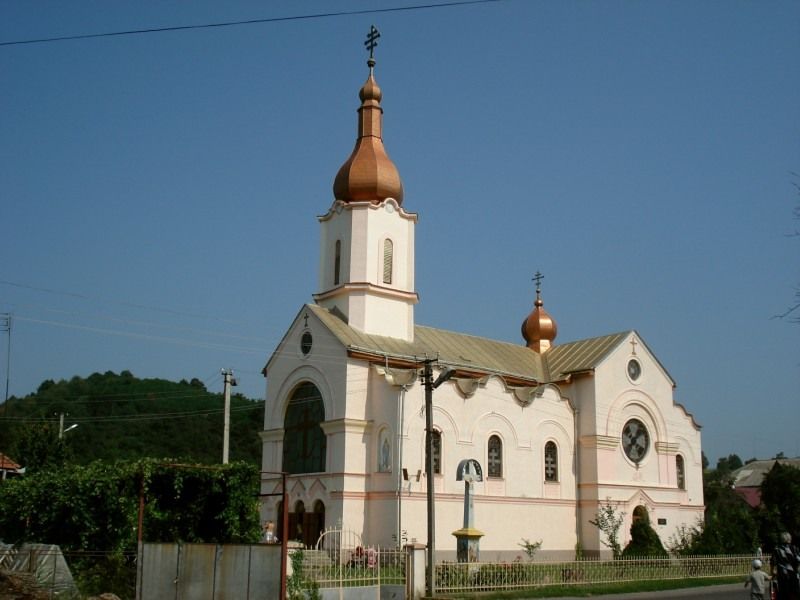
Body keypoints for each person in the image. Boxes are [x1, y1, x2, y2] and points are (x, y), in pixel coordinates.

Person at [772, 532, 800, 600]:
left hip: (782, 576)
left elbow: (773, 563)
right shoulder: (794, 548)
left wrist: (773, 574)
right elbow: (798, 560)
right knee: (794, 594)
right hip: (794, 575)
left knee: (783, 594)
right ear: (789, 539)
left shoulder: (777, 549)